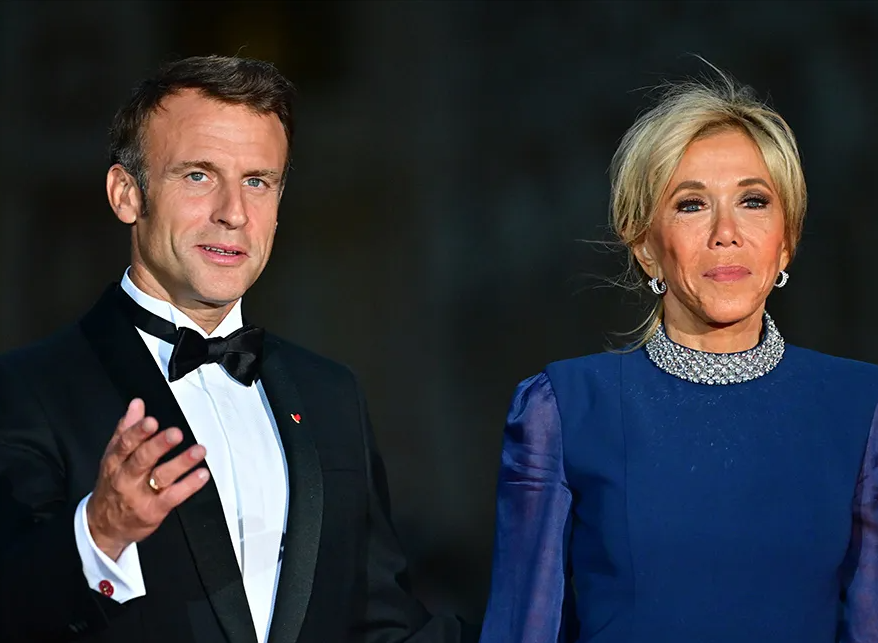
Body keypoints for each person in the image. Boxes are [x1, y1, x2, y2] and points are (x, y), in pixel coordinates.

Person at [0, 55, 477, 643]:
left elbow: (378, 622)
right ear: (127, 194)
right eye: (198, 175)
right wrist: (100, 533)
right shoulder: (27, 388)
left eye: (258, 181)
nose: (233, 213)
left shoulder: (331, 394)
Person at [478, 69, 878, 643]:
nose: (726, 232)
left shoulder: (860, 407)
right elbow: (523, 627)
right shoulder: (563, 408)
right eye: (692, 205)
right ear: (645, 245)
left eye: (753, 201)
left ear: (786, 238)